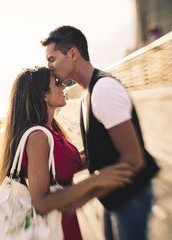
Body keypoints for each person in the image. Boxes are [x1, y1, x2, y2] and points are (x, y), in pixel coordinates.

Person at [41, 25, 160, 240]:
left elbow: (134, 160)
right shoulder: (89, 93)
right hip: (114, 195)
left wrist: (85, 196)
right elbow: (102, 148)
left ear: (73, 54)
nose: (48, 66)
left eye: (52, 59)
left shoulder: (104, 91)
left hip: (131, 198)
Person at [0, 66, 134, 240]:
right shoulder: (38, 137)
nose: (64, 87)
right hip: (55, 230)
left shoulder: (50, 131)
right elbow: (41, 203)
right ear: (44, 95)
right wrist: (97, 180)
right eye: (57, 84)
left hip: (64, 223)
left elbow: (72, 162)